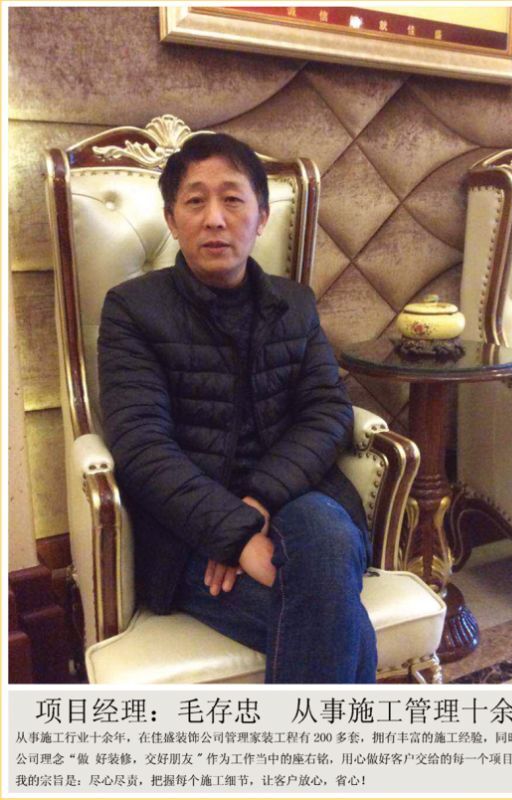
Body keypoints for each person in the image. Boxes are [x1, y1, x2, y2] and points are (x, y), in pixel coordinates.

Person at [98, 132, 377, 683]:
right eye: (195, 201)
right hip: (184, 531)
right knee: (343, 626)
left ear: (262, 216)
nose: (215, 219)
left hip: (292, 498)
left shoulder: (294, 304)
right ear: (172, 219)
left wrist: (257, 505)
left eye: (232, 199)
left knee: (328, 539)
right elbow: (141, 445)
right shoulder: (132, 309)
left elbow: (327, 412)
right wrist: (233, 535)